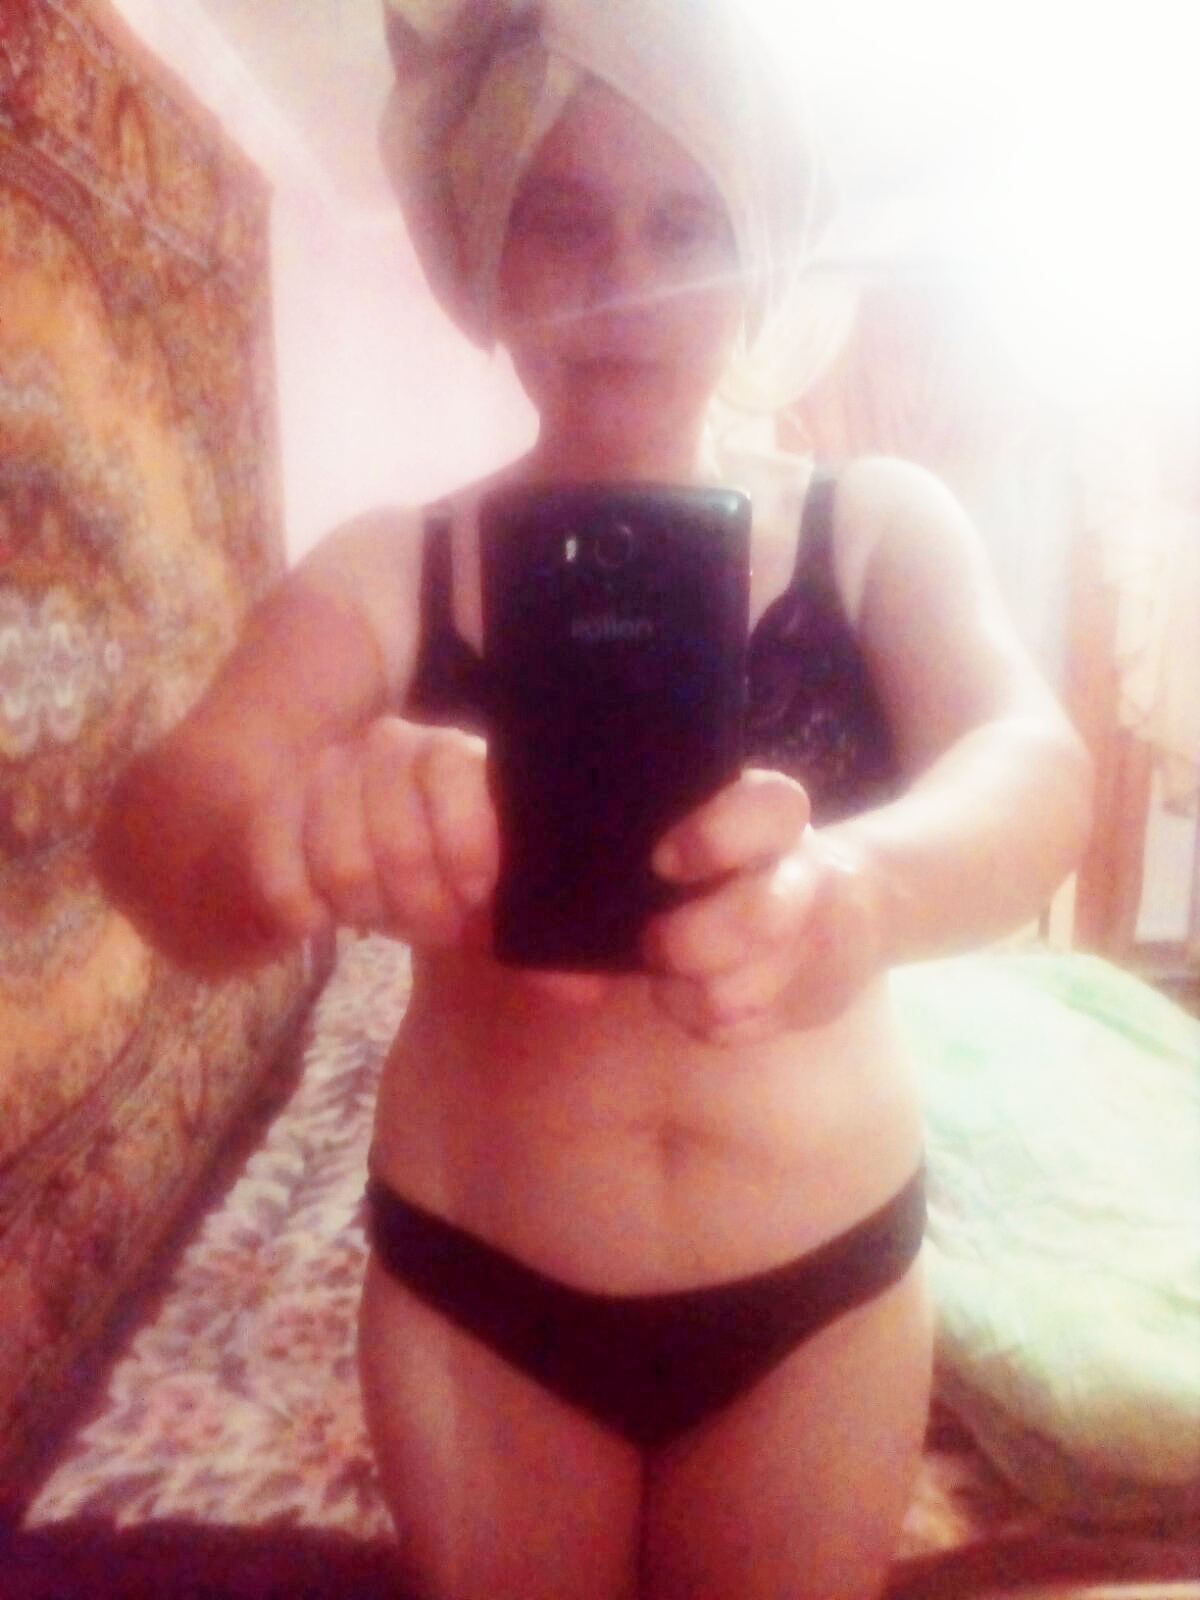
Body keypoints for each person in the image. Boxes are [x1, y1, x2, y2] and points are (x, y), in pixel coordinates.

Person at [95, 2, 1093, 1595]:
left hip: (820, 1297)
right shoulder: (394, 567)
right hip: (482, 1302)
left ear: (753, 253)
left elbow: (1035, 769)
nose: (625, 274)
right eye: (561, 217)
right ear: (488, 249)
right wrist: (288, 839)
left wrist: (864, 897)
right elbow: (156, 830)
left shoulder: (872, 527)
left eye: (686, 222)